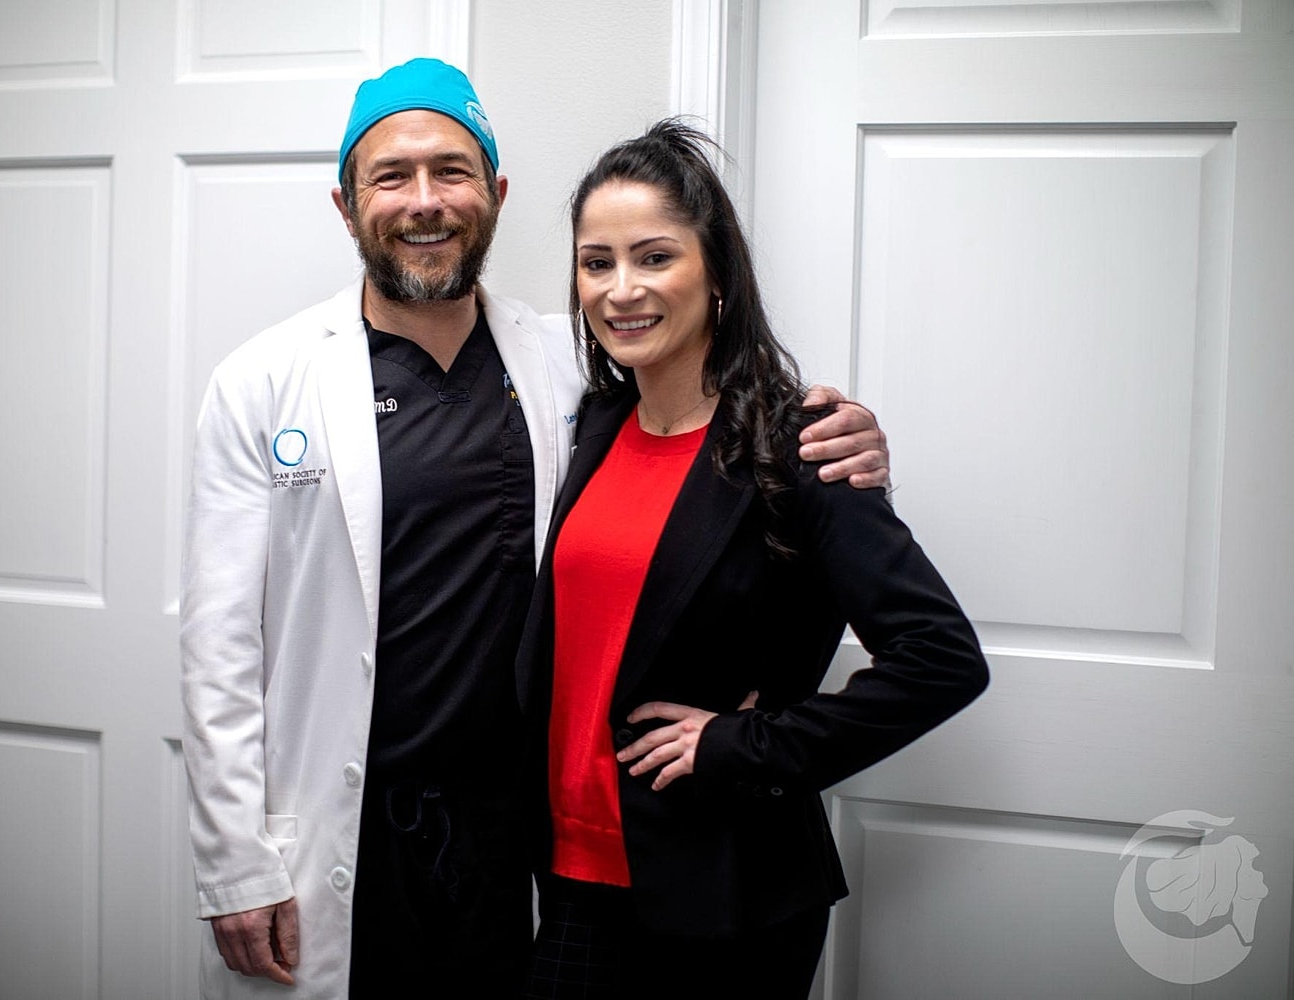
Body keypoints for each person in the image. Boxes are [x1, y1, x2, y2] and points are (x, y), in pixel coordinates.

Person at [181, 62, 891, 998]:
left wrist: (847, 440)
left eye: (453, 171)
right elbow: (220, 647)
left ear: (496, 194)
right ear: (346, 206)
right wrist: (238, 863)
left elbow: (711, 447)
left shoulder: (574, 361)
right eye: (391, 176)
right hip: (347, 824)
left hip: (523, 836)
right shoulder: (262, 383)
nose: (424, 202)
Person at [515, 119, 990, 998]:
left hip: (723, 892)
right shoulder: (594, 426)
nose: (622, 289)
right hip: (572, 872)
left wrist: (747, 744)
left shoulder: (797, 444)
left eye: (655, 257)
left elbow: (942, 661)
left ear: (718, 274)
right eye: (597, 262)